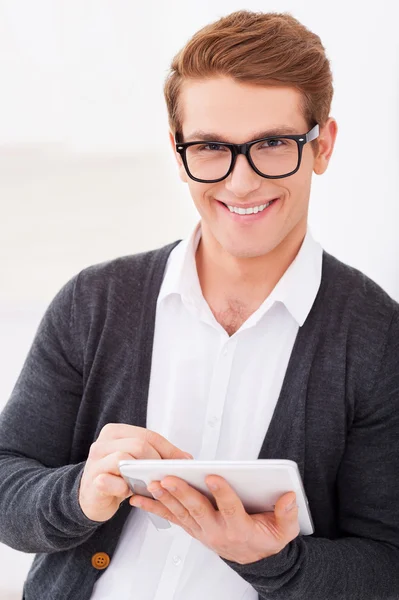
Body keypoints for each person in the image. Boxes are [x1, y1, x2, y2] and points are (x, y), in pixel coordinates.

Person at [0, 9, 398, 600]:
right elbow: (9, 483)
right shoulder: (95, 302)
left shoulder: (377, 339)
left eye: (271, 143)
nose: (240, 183)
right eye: (211, 147)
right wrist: (80, 493)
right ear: (177, 149)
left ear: (323, 146)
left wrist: (275, 562)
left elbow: (387, 565)